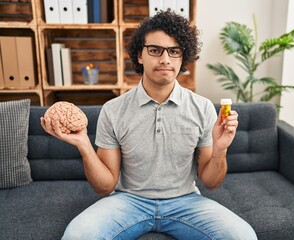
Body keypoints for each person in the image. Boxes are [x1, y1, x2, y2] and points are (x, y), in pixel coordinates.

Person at [41, 10, 257, 240]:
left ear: (183, 57)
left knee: (243, 236)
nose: (165, 59)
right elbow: (104, 187)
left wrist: (220, 149)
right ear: (140, 55)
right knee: (77, 236)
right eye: (155, 50)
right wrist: (83, 144)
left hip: (185, 202)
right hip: (128, 201)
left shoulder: (202, 108)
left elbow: (211, 182)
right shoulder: (113, 110)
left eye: (174, 51)